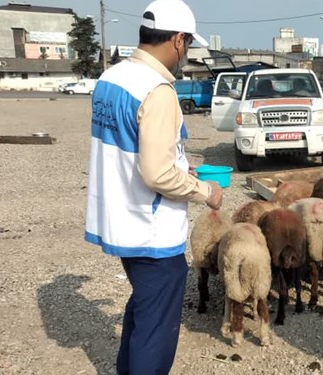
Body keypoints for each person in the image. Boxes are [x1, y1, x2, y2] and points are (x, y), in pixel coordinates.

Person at [84, 1, 223, 373]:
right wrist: (206, 192)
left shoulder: (112, 78)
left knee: (144, 307)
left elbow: (133, 147)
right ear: (178, 40)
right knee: (157, 327)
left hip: (121, 219)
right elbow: (158, 175)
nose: (186, 54)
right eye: (189, 45)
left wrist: (180, 163)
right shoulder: (157, 90)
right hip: (150, 231)